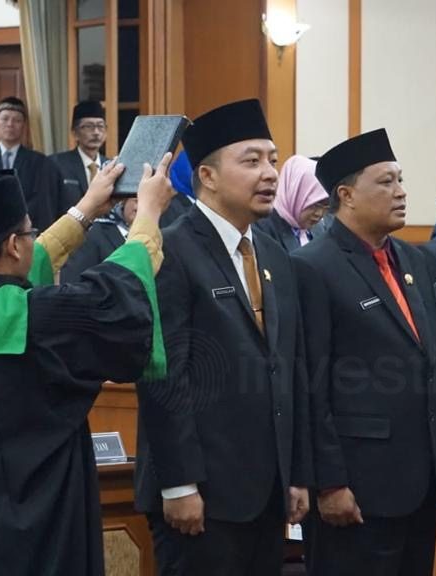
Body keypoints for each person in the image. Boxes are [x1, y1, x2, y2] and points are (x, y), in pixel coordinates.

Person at [0, 154, 173, 576]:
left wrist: (86, 209)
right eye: (28, 232)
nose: (34, 241)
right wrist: (148, 216)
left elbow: (30, 265)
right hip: (32, 512)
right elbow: (117, 292)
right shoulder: (39, 315)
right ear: (14, 245)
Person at [134, 99, 310, 576]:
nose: (269, 173)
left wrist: (296, 473)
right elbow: (163, 376)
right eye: (251, 161)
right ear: (208, 176)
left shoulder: (273, 254)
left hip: (266, 493)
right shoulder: (170, 250)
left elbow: (288, 366)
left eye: (273, 159)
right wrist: (179, 485)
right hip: (200, 493)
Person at [292, 128, 436, 576]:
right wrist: (329, 483)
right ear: (346, 195)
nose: (401, 192)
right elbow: (310, 384)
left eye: (401, 180)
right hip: (357, 486)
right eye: (385, 182)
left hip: (419, 483)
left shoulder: (416, 261)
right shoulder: (313, 266)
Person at [0, 97, 73, 231]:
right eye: (5, 119)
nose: (10, 124)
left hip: (26, 231)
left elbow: (44, 205)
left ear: (24, 125)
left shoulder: (41, 163)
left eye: (17, 120)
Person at [254, 154, 329, 252]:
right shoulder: (262, 227)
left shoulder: (319, 228)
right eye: (314, 205)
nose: (319, 213)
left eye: (326, 206)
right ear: (295, 193)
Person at [59, 197, 137, 282]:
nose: (143, 208)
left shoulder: (148, 240)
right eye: (136, 201)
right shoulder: (95, 234)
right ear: (123, 202)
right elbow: (73, 278)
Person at [50, 101, 107, 201]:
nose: (96, 132)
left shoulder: (111, 166)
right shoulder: (56, 164)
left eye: (100, 126)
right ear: (75, 133)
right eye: (89, 126)